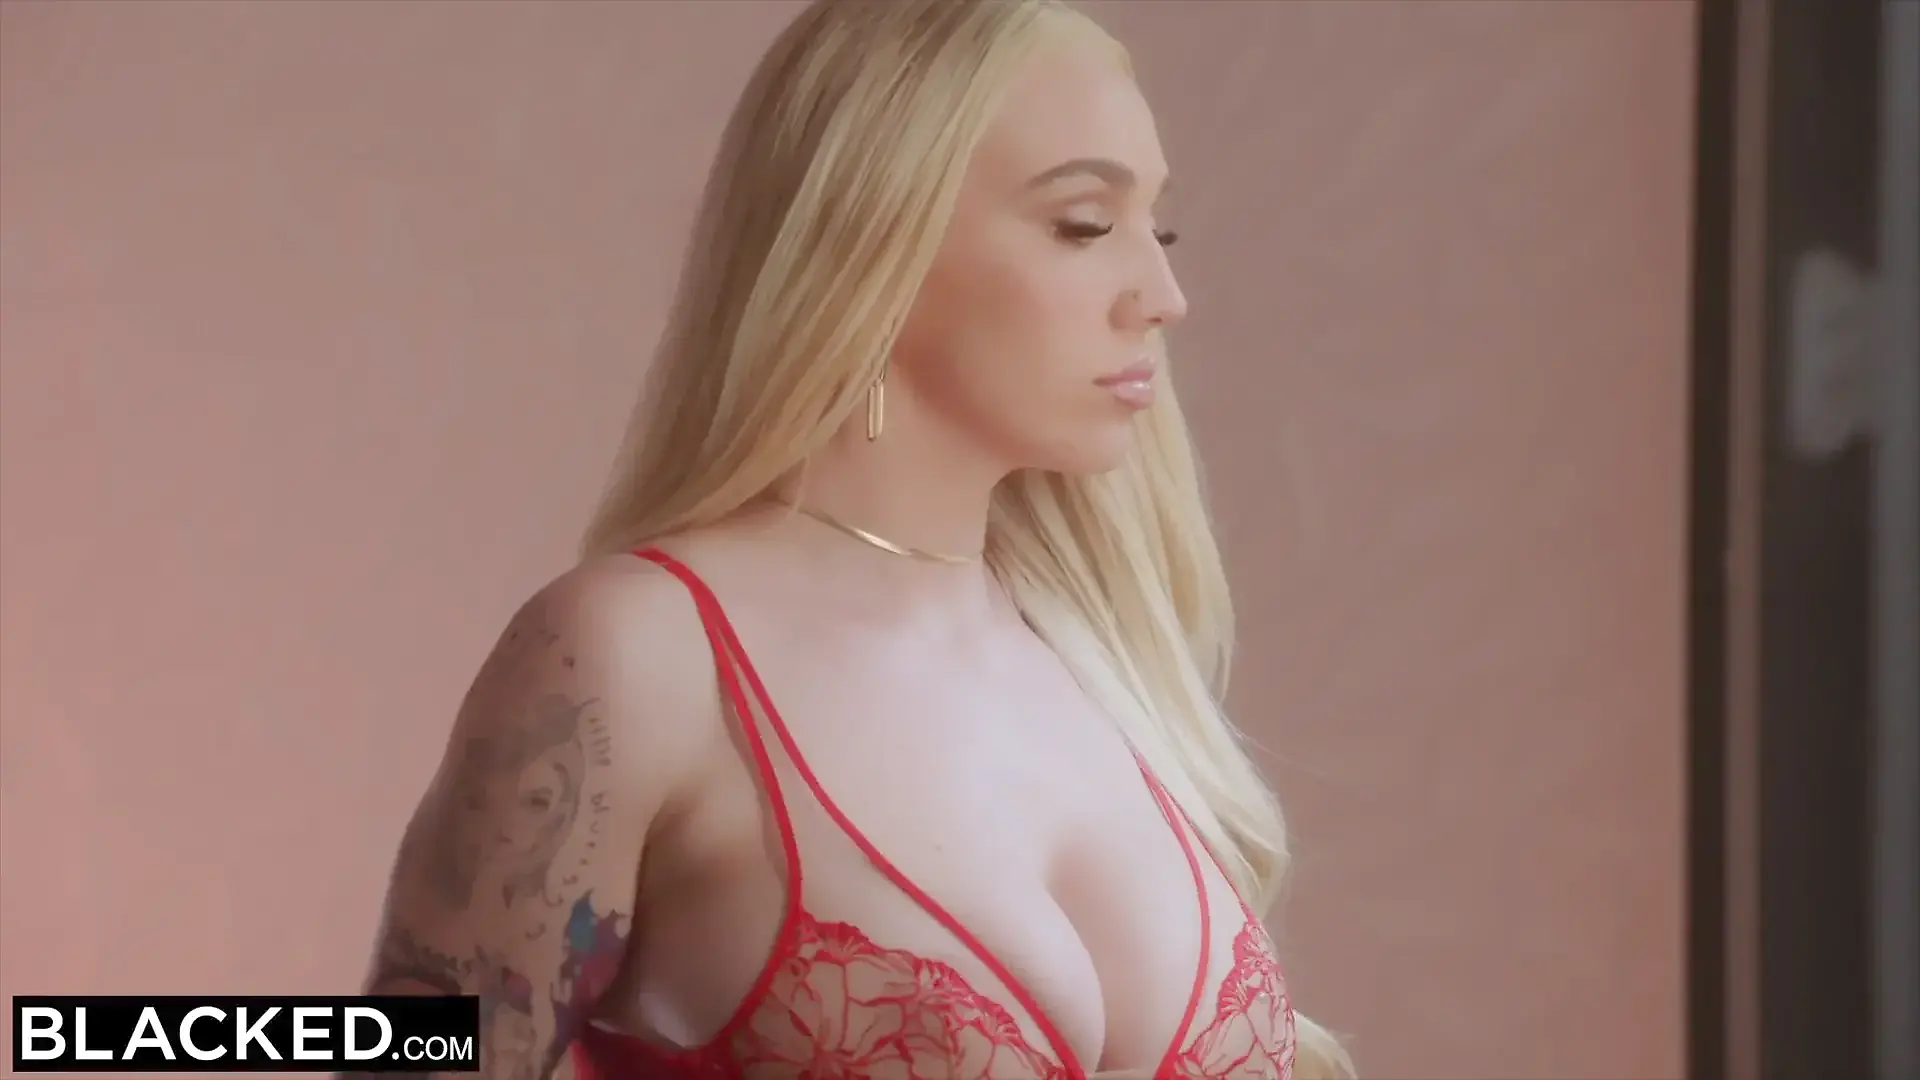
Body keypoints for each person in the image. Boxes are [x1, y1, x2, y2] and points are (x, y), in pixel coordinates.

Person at [352, 1, 1355, 1078]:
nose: (1164, 297)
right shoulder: (638, 654)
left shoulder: (1108, 668)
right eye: (1082, 225)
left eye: (1159, 231)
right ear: (871, 242)